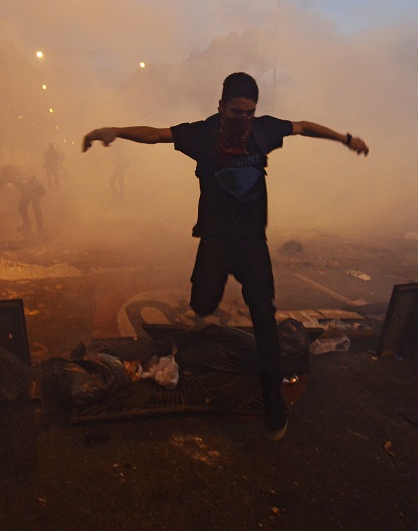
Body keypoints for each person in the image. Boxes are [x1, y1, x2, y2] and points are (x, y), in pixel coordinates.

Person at [82, 72, 369, 441]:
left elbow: (303, 126)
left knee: (265, 321)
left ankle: (272, 405)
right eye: (236, 112)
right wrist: (115, 130)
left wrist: (346, 139)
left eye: (250, 113)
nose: (243, 121)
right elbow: (156, 134)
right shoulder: (202, 134)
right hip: (215, 243)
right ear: (221, 107)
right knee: (202, 303)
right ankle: (210, 310)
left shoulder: (264, 131)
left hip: (252, 245)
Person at [0, 165, 46, 234]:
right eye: (6, 174)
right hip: (27, 190)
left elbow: (27, 188)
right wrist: (1, 181)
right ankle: (27, 225)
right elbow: (1, 184)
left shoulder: (22, 178)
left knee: (36, 208)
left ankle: (40, 227)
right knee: (21, 206)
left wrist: (26, 196)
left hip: (36, 189)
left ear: (12, 172)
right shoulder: (13, 176)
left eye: (8, 173)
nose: (7, 176)